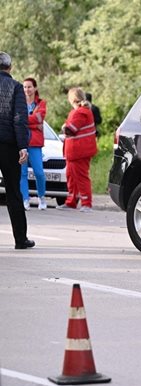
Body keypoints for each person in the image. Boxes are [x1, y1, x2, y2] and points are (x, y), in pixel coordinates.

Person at [0, 52, 34, 249]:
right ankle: (20, 239)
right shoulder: (15, 87)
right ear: (9, 68)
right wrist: (23, 146)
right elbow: (20, 119)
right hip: (8, 146)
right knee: (13, 192)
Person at [58, 87, 97, 212]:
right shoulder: (80, 111)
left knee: (81, 177)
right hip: (74, 151)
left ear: (72, 99)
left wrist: (64, 127)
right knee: (71, 176)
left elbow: (71, 129)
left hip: (79, 151)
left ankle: (86, 203)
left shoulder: (81, 112)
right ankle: (71, 201)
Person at [21, 77, 48, 210]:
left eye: (29, 87)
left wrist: (24, 121)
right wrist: (34, 124)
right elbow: (17, 119)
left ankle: (41, 197)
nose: (27, 90)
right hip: (21, 142)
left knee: (39, 172)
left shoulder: (41, 103)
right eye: (25, 87)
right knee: (23, 173)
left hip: (35, 143)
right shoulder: (19, 102)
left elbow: (39, 117)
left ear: (35, 88)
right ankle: (25, 199)